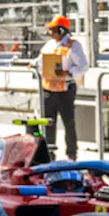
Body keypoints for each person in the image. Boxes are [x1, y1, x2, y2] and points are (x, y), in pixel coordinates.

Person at [30, 15, 89, 161]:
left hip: (65, 90)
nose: (49, 32)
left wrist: (69, 73)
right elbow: (40, 61)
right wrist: (33, 64)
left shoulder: (73, 46)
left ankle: (71, 153)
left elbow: (83, 66)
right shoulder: (49, 45)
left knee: (68, 122)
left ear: (61, 29)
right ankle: (50, 152)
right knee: (48, 122)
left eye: (52, 29)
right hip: (48, 89)